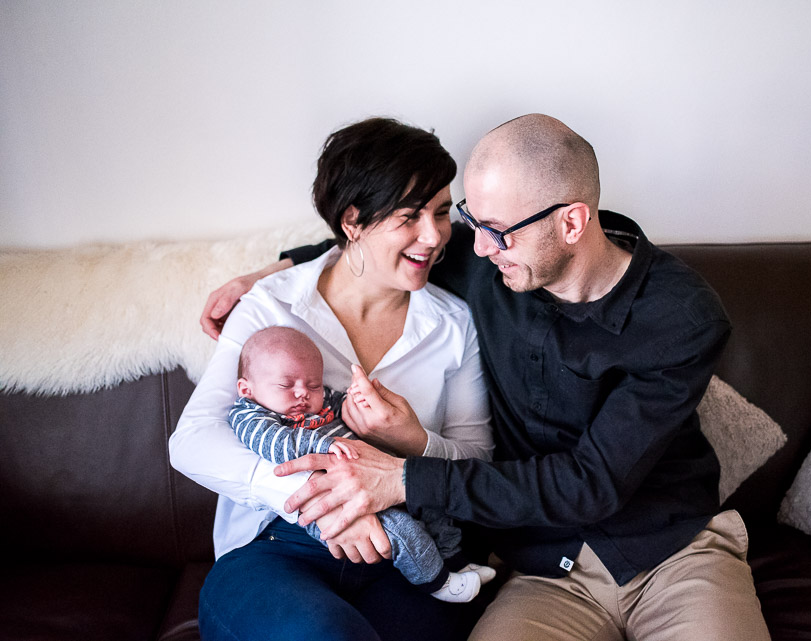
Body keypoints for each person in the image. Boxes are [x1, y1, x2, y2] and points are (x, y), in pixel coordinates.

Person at [202, 114, 771, 641]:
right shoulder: (495, 258)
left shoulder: (682, 316)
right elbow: (376, 238)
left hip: (673, 550)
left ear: (572, 223)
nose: (467, 246)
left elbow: (591, 483)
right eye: (468, 218)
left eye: (492, 228)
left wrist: (403, 477)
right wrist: (273, 269)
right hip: (546, 570)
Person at [170, 117, 495, 641]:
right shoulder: (273, 306)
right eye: (410, 216)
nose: (434, 237)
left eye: (440, 213)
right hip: (276, 549)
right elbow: (191, 441)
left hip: (409, 555)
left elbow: (477, 463)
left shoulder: (453, 325)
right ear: (352, 221)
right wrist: (322, 500)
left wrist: (413, 441)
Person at [230, 325, 494, 602]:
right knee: (403, 530)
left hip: (377, 478)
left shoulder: (321, 404)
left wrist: (360, 401)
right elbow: (274, 443)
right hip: (337, 501)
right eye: (286, 385)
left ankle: (456, 560)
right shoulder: (251, 415)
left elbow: (340, 402)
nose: (303, 394)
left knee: (429, 499)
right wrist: (324, 445)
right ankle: (438, 582)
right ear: (246, 388)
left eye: (313, 384)